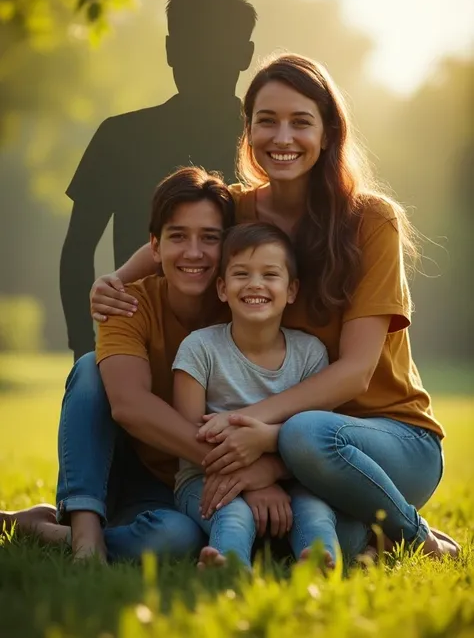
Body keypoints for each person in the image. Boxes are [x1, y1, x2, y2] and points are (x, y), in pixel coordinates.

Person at [89, 53, 459, 559]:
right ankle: (358, 543)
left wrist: (257, 430)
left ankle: (418, 538)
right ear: (248, 131)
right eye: (267, 121)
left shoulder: (372, 221)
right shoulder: (238, 210)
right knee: (298, 542)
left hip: (387, 440)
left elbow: (354, 373)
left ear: (328, 133)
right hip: (288, 456)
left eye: (300, 122)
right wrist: (116, 280)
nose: (282, 137)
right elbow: (178, 240)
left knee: (307, 433)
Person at [1, 167, 299, 563]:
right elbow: (128, 405)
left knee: (173, 540)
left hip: (191, 484)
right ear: (155, 247)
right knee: (91, 369)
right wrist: (240, 469)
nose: (193, 252)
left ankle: (49, 530)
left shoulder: (248, 304)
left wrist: (260, 472)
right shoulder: (127, 303)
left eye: (210, 238)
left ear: (228, 248)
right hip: (129, 468)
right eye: (178, 237)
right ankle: (85, 537)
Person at [60, 0, 257, 361]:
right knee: (88, 390)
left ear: (244, 55)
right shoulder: (118, 137)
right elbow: (78, 251)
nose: (203, 60)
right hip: (139, 337)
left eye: (215, 49)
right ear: (170, 50)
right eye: (192, 46)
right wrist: (85, 350)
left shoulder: (263, 144)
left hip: (243, 347)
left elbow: (77, 250)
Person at [173, 222, 338, 570]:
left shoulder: (310, 354)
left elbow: (316, 441)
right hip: (206, 478)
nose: (255, 284)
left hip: (291, 476)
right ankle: (228, 567)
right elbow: (189, 440)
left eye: (270, 274)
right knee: (232, 513)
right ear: (221, 287)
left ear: (291, 290)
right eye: (241, 273)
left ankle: (321, 565)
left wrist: (269, 473)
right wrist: (249, 485)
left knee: (315, 510)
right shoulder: (199, 349)